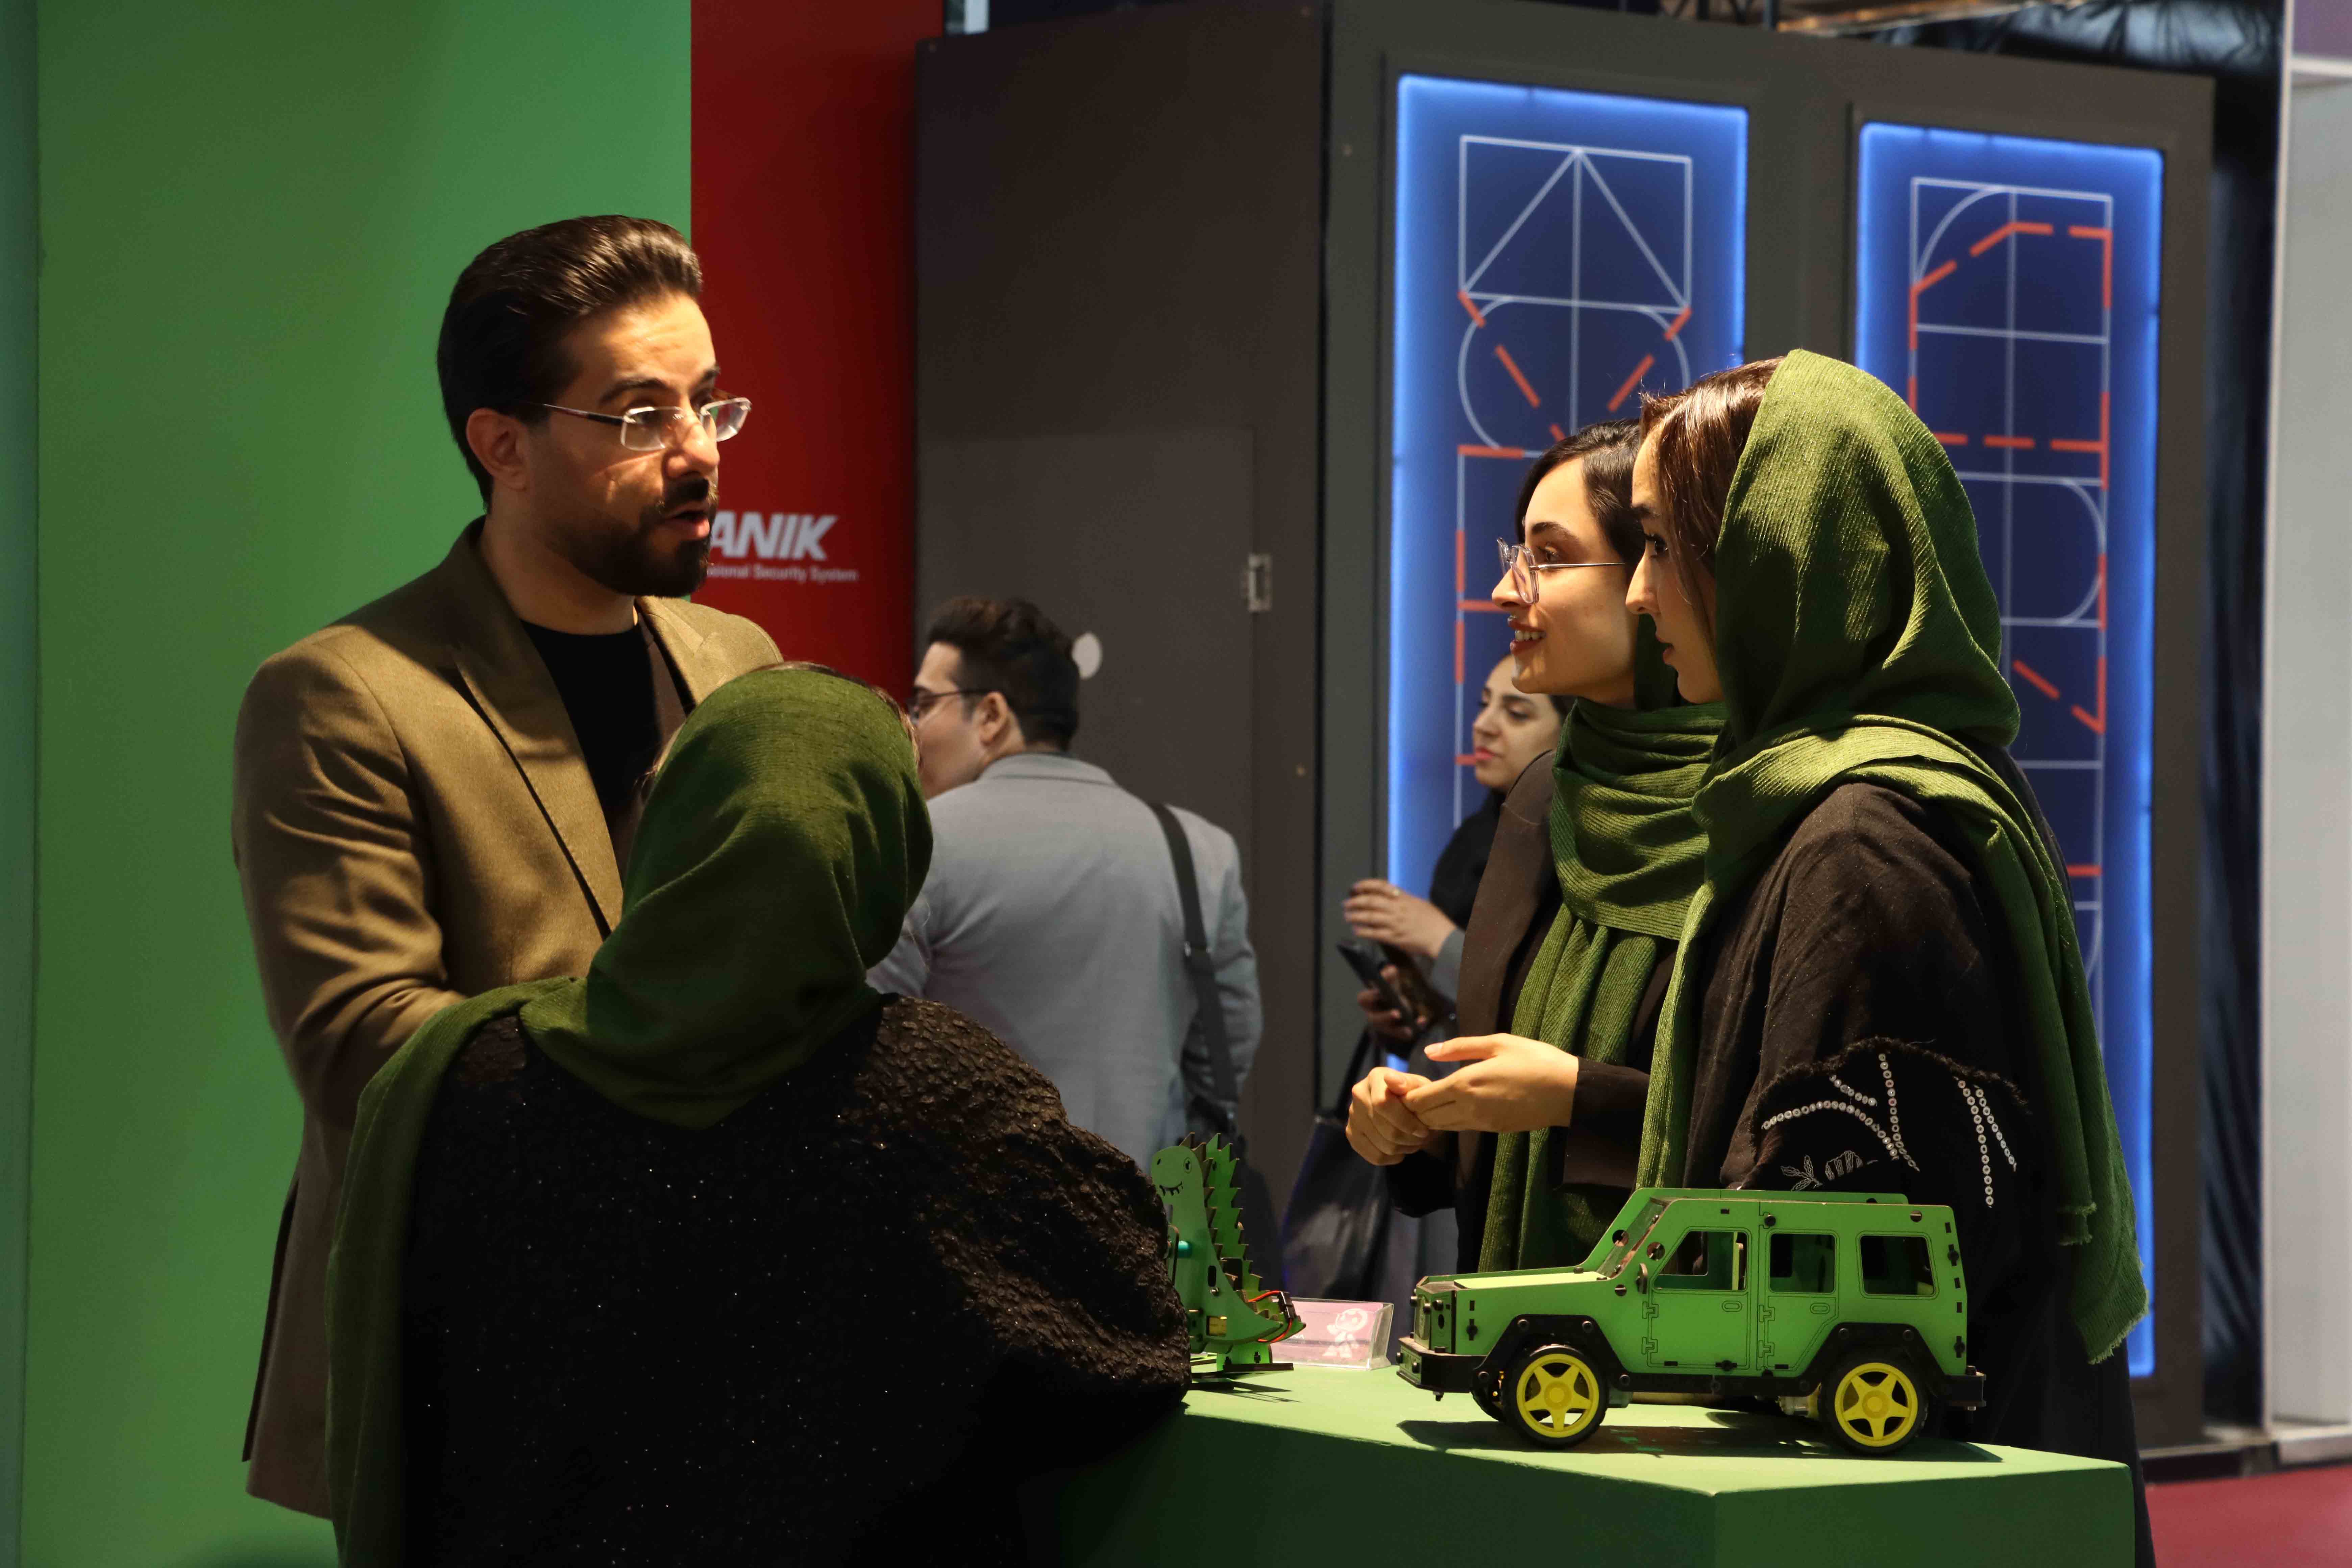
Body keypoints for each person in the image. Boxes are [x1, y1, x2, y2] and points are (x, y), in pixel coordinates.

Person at [327, 666, 1189, 1567]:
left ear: (670, 826)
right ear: (886, 857)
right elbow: (1131, 1328)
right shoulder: (942, 1096)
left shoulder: (462, 1074)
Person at [230, 215, 781, 1515]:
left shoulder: (743, 666)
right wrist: (681, 1071)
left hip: (727, 1349)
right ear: (503, 446)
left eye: (706, 401)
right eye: (639, 415)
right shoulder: (345, 694)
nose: (698, 451)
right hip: (471, 1364)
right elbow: (366, 1047)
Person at [1621, 351, 2149, 1546]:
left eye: (1660, 545)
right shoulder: (1868, 800)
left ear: (1773, 555)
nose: (1643, 596)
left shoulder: (1864, 846)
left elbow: (1846, 1278)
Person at [1344, 420, 1725, 1274]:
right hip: (1514, 1318)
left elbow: (1778, 1134)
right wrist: (1417, 1117)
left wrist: (1577, 1099)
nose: (1504, 590)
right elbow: (1503, 1080)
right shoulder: (1544, 794)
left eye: (1549, 558)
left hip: (1699, 1322)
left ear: (1660, 572)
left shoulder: (1767, 805)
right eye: (1518, 554)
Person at [871, 596, 1260, 1167]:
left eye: (925, 704)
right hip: (1151, 1204)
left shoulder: (919, 841)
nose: (912, 727)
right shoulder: (1200, 850)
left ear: (992, 715)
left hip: (970, 1209)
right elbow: (1227, 1046)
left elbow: (874, 1048)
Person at [1341, 654, 1567, 1038]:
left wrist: (1438, 938)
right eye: (1484, 705)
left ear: (1571, 733)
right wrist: (1413, 1003)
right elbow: (1457, 1018)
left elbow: (1549, 1007)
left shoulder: (1578, 855)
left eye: (1516, 714)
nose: (1483, 725)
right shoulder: (1475, 836)